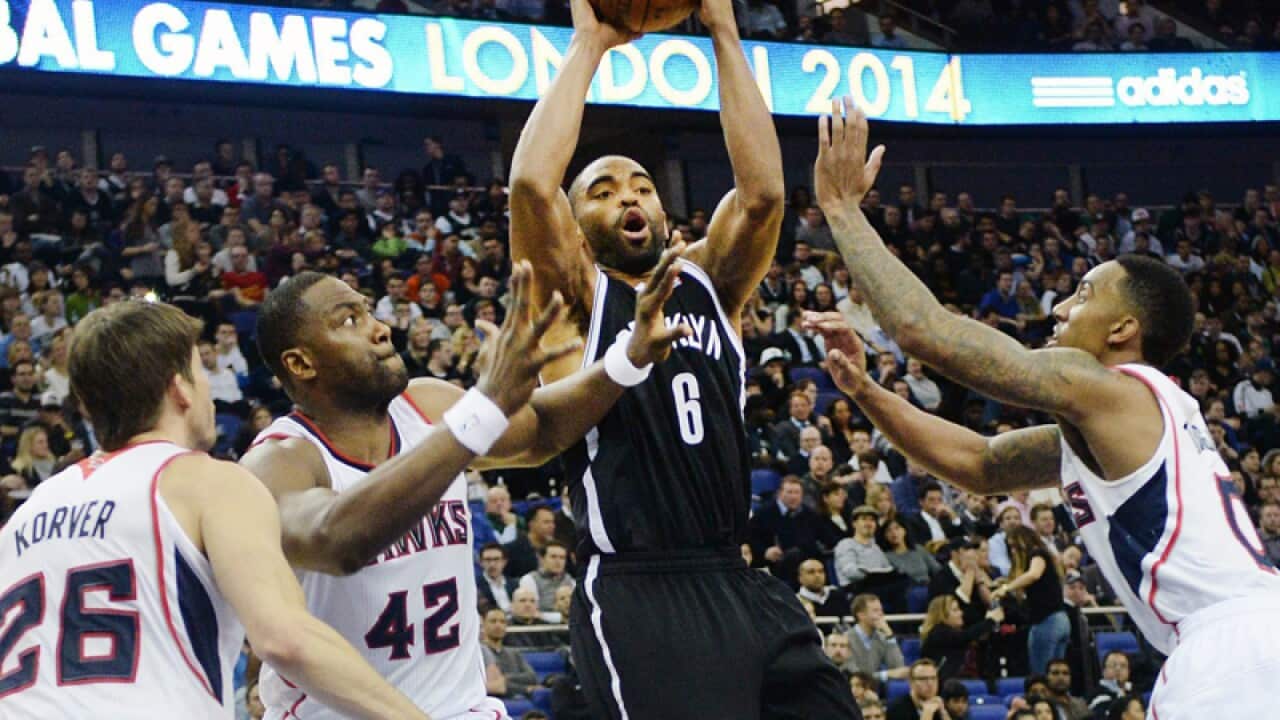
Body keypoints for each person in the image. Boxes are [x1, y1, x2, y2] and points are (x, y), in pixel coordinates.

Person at [806, 96, 1280, 719]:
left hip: (1232, 649)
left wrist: (841, 211)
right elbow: (978, 463)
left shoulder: (1108, 385)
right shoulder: (1123, 422)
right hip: (1243, 636)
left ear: (1122, 330)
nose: (1059, 307)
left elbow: (927, 332)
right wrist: (868, 392)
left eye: (1083, 295)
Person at [508, 0, 856, 715]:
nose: (628, 197)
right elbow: (530, 189)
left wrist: (725, 29)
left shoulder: (705, 283)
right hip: (642, 590)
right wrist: (590, 46)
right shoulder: (573, 298)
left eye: (640, 186)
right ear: (576, 228)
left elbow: (762, 195)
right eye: (601, 193)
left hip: (740, 577)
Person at [238, 260, 688, 720]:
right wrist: (479, 413)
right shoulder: (278, 462)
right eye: (349, 320)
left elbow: (542, 432)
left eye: (370, 312)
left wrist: (627, 357)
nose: (381, 329)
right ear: (301, 362)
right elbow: (335, 541)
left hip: (463, 709)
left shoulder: (425, 405)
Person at [0, 301, 428, 719]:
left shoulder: (25, 516)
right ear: (180, 389)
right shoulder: (207, 481)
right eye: (200, 372)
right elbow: (286, 640)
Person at [992, 525, 1068, 675]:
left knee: (1041, 674)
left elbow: (1034, 575)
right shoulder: (1045, 558)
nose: (1012, 551)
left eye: (1014, 545)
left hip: (1047, 622)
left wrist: (1007, 588)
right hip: (1061, 620)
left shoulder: (1037, 554)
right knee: (1057, 674)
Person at [919, 595, 1003, 684]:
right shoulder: (937, 633)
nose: (961, 613)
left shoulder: (955, 633)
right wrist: (990, 621)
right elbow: (963, 637)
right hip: (946, 686)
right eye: (955, 610)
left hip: (968, 681)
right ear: (942, 615)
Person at [846, 593, 908, 682]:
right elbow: (854, 675)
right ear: (861, 615)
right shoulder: (846, 638)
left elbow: (898, 668)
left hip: (875, 688)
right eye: (875, 610)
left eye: (881, 610)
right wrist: (885, 675)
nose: (881, 614)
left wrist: (889, 636)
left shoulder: (882, 637)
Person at [480, 608, 540, 699]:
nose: (498, 625)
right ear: (484, 625)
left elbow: (532, 677)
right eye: (493, 621)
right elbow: (491, 686)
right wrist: (524, 689)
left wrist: (505, 678)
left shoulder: (514, 652)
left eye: (502, 622)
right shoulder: (480, 653)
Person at [478, 542, 520, 614]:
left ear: (504, 562)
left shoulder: (515, 584)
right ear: (481, 562)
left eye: (496, 559)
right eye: (488, 560)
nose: (492, 564)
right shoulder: (475, 585)